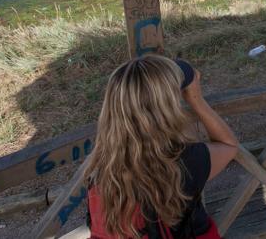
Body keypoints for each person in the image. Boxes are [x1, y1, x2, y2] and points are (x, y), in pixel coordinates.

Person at [84, 55, 238, 239]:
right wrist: (196, 100)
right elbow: (228, 145)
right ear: (167, 108)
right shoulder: (185, 162)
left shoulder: (103, 172)